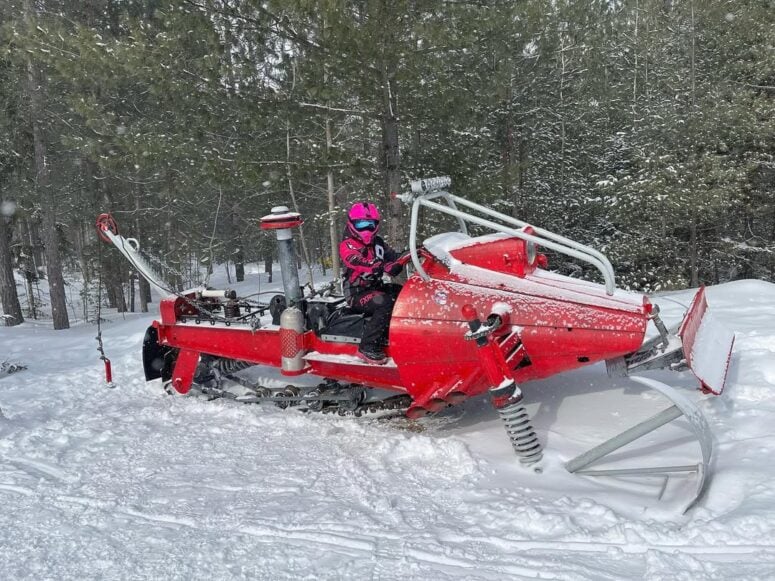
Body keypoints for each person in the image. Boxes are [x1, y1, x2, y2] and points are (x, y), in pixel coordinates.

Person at [339, 201, 406, 364]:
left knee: (402, 293)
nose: (366, 229)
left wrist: (409, 254)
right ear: (352, 224)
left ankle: (399, 334)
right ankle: (367, 347)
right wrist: (377, 266)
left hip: (376, 288)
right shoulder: (348, 244)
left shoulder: (378, 243)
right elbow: (355, 260)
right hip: (357, 294)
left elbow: (394, 257)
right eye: (361, 224)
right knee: (385, 302)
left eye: (370, 224)